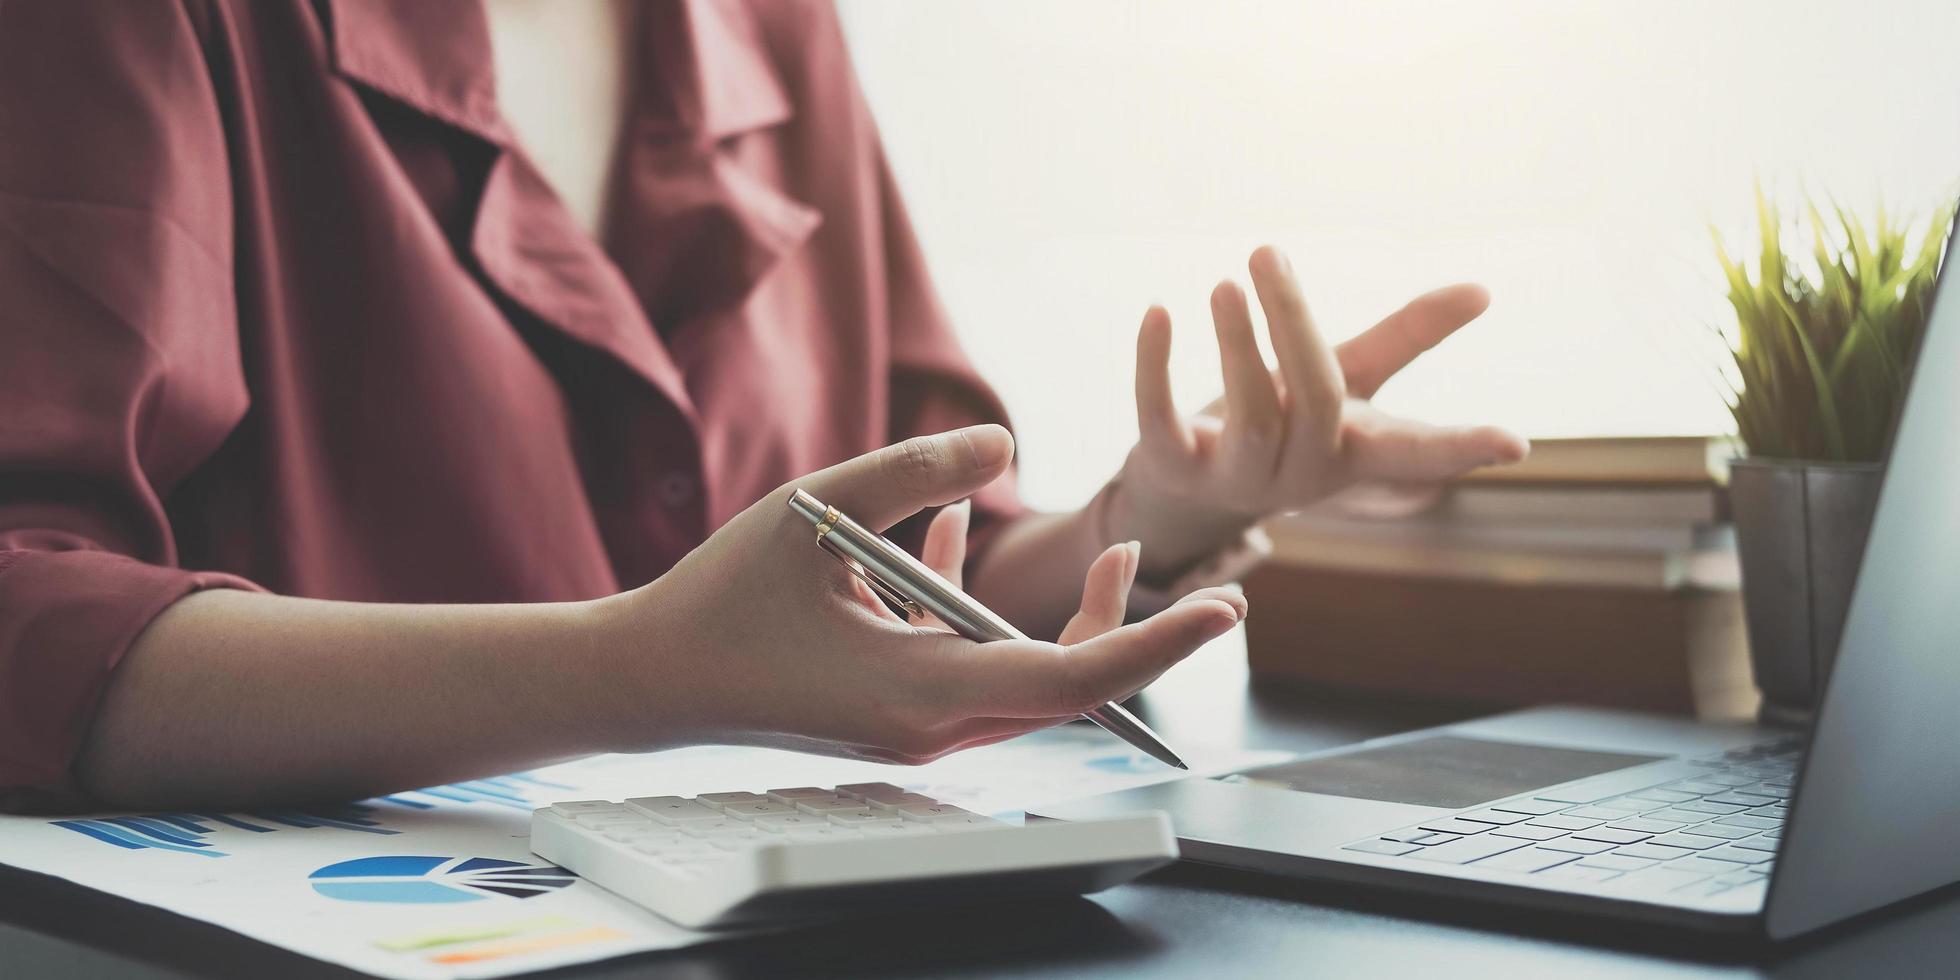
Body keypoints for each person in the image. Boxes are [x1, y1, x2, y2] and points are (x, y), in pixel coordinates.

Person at [0, 0, 1525, 813]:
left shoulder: (773, 26)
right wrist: (632, 665)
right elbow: (29, 617)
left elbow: (901, 579)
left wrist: (1153, 517)